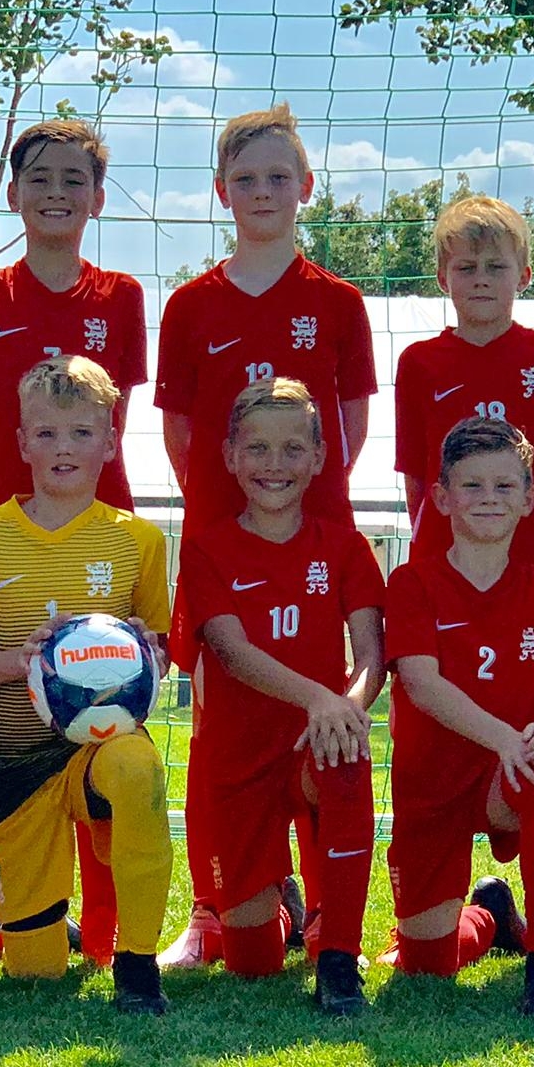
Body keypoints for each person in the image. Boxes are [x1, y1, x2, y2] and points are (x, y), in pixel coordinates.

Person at [155, 102, 378, 968]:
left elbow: (350, 427)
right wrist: (232, 516)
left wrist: (298, 505)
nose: (261, 192)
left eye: (277, 177)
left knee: (325, 713)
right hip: (225, 538)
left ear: (305, 187)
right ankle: (216, 905)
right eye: (245, 179)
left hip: (313, 538)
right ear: (221, 191)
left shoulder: (338, 301)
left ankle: (325, 909)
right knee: (218, 723)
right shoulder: (190, 305)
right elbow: (181, 434)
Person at [0, 118, 147, 964]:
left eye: (74, 179)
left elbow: (115, 421)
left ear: (97, 198)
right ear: (13, 193)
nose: (56, 192)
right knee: (0, 731)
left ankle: (104, 930)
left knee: (104, 723)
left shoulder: (121, 296)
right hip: (5, 538)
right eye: (40, 177)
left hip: (98, 535)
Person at [0, 355, 173, 1014]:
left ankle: (138, 963)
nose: (64, 448)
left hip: (97, 753)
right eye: (48, 433)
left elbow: (162, 657)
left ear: (110, 443)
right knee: (36, 974)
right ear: (22, 442)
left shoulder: (138, 541)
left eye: (82, 433)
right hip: (15, 764)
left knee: (139, 767)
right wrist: (23, 664)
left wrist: (143, 657)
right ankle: (44, 924)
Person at [174, 378, 385, 1015]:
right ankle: (281, 910)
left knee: (346, 758)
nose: (275, 464)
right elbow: (232, 652)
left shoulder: (344, 546)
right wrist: (324, 697)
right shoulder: (206, 550)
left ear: (319, 458)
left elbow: (371, 658)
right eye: (258, 448)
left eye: (293, 449)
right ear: (230, 456)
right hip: (239, 761)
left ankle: (339, 953)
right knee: (253, 963)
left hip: (314, 745)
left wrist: (346, 707)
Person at [382, 417, 534, 1024]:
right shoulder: (412, 583)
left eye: (505, 486)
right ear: (441, 497)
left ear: (530, 499)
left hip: (509, 777)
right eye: (472, 485)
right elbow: (422, 685)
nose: (488, 498)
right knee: (427, 965)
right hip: (431, 786)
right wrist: (505, 737)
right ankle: (490, 918)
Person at [395, 195, 534, 581]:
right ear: (443, 278)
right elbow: (416, 476)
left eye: (496, 266)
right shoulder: (419, 362)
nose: (481, 278)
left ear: (524, 276)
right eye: (466, 267)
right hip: (447, 562)